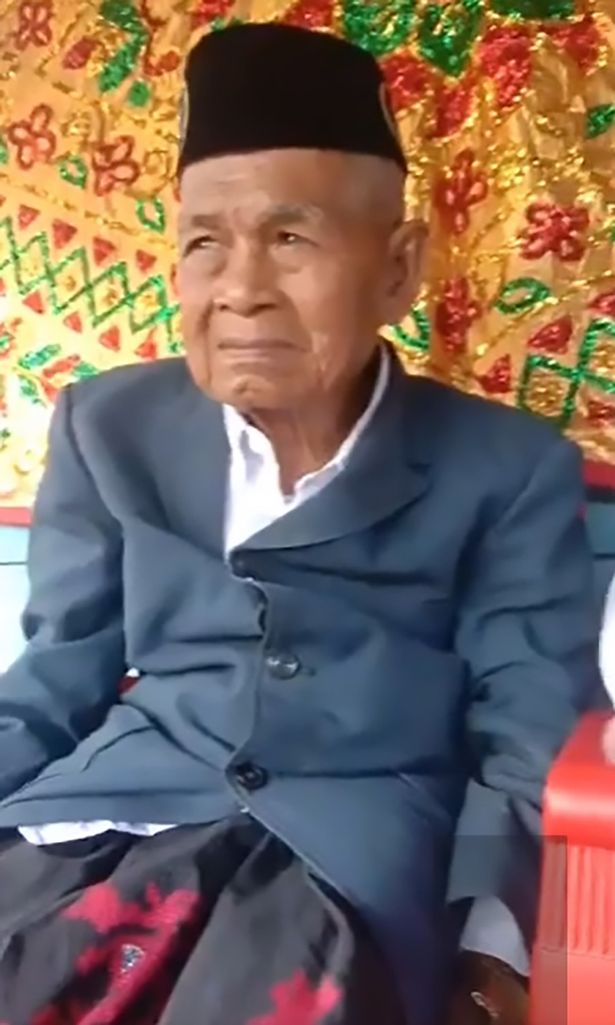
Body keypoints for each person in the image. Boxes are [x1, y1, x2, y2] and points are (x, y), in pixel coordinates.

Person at [0, 22, 601, 1025]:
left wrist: (494, 950)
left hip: (345, 859)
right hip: (101, 827)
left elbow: (530, 724)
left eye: (289, 238)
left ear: (398, 269)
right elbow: (57, 673)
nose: (240, 290)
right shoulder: (109, 426)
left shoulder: (506, 467)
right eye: (204, 242)